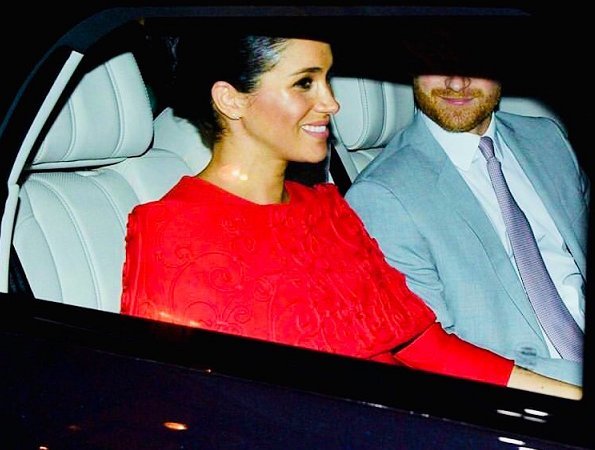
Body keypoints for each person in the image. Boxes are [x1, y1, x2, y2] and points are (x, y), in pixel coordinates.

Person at [120, 30, 581, 399]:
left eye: (327, 79)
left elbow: (424, 346)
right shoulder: (172, 230)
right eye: (305, 83)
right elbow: (196, 402)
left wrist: (567, 398)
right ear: (231, 99)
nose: (331, 103)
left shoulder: (326, 209)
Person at [345, 62, 588, 386]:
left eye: (474, 61)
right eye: (436, 61)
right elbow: (439, 356)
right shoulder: (381, 196)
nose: (457, 82)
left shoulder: (547, 138)